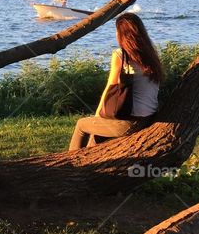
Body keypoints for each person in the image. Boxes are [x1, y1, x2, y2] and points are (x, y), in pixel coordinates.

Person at [69, 13, 162, 149]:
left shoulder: (120, 55)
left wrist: (97, 115)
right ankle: (89, 158)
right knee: (96, 135)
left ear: (121, 33)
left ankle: (72, 162)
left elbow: (110, 87)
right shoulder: (151, 55)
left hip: (129, 122)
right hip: (149, 118)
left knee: (82, 125)